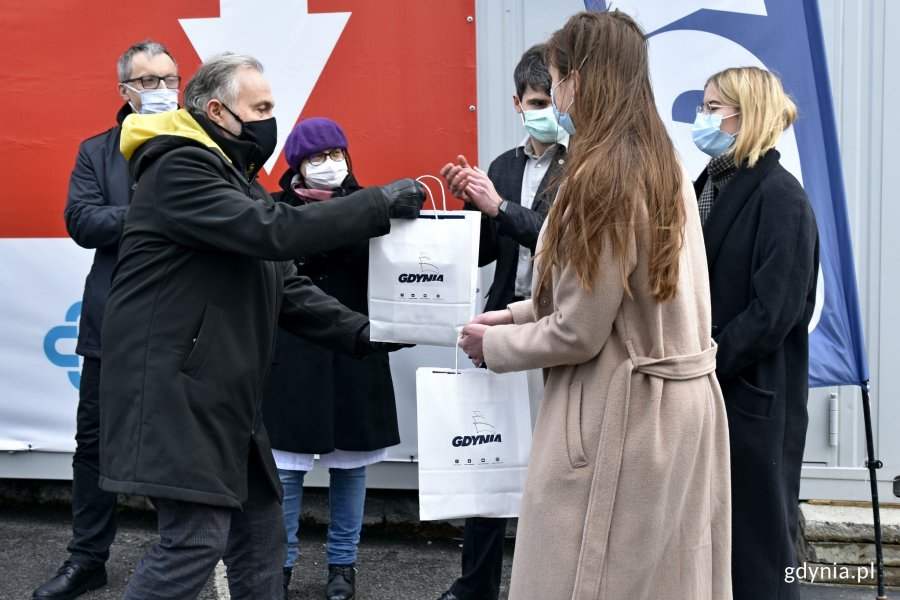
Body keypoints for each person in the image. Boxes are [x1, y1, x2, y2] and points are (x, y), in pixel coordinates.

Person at [97, 52, 425, 599]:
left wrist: (364, 333)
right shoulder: (180, 168)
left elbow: (283, 283)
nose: (273, 118)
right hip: (174, 396)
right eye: (263, 106)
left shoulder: (232, 176)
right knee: (194, 543)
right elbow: (272, 231)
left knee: (260, 539)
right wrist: (376, 204)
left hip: (222, 400)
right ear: (220, 111)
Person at [458, 11, 732, 600]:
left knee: (587, 577)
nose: (553, 92)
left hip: (621, 418)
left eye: (556, 77)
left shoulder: (601, 176)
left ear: (578, 80)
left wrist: (495, 344)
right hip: (679, 416)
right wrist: (513, 315)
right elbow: (613, 301)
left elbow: (580, 330)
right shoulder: (663, 165)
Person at [32, 39, 180, 600]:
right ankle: (87, 559)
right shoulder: (98, 152)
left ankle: (180, 555)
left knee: (174, 444)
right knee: (93, 445)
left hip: (182, 325)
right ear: (124, 92)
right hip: (111, 324)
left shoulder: (203, 143)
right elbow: (84, 221)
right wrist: (157, 213)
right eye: (147, 82)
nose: (161, 90)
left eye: (169, 79)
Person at [436, 43, 566, 600]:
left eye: (552, 100)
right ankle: (476, 585)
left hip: (557, 323)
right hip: (502, 320)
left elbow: (564, 246)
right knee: (485, 457)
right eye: (535, 101)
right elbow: (491, 249)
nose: (545, 111)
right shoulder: (504, 166)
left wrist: (499, 209)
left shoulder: (584, 163)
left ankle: (550, 583)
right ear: (516, 103)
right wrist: (469, 201)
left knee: (553, 464)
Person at [691, 66, 818, 600]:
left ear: (750, 114)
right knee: (710, 541)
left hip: (751, 398)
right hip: (708, 391)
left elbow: (773, 314)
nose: (703, 118)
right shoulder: (708, 183)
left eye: (714, 107)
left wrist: (705, 363)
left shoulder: (781, 197)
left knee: (761, 551)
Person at [261, 117, 401, 600]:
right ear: (296, 165)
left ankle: (343, 565)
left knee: (351, 468)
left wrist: (356, 215)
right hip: (290, 354)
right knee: (284, 470)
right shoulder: (274, 211)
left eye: (336, 155)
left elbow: (390, 268)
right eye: (316, 158)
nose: (329, 165)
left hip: (355, 350)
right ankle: (278, 565)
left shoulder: (371, 208)